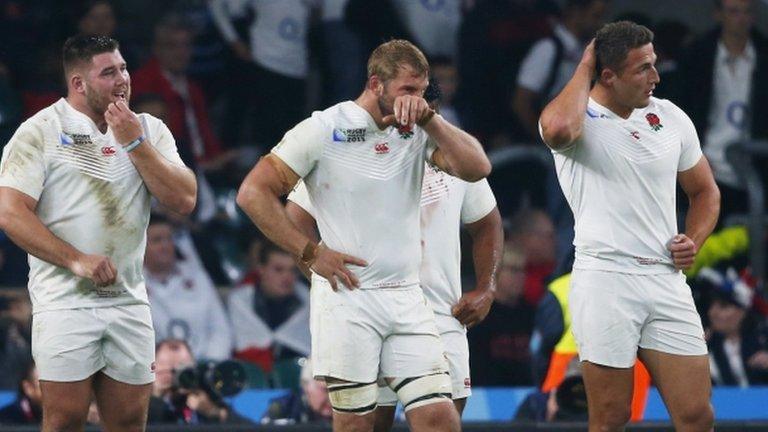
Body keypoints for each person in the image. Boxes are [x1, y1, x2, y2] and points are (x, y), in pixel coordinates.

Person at [236, 39, 491, 432]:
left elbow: (478, 168)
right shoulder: (324, 128)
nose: (415, 100)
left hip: (408, 298)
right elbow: (253, 193)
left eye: (422, 91)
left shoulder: (419, 131)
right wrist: (310, 252)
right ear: (376, 84)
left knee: (440, 418)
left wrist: (430, 119)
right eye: (408, 90)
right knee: (358, 425)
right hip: (349, 303)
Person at [0, 35, 196, 431]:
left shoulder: (148, 129)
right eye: (109, 73)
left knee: (127, 422)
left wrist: (135, 142)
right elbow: (9, 213)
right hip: (64, 300)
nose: (122, 79)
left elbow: (184, 199)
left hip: (128, 299)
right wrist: (76, 259)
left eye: (123, 69)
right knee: (65, 421)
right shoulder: (39, 131)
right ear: (78, 84)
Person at [539, 21, 721, 431]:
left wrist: (693, 239)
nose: (655, 77)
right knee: (610, 416)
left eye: (653, 64)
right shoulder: (576, 116)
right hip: (606, 278)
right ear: (607, 75)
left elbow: (705, 192)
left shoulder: (670, 116)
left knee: (696, 414)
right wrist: (585, 64)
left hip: (665, 278)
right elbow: (556, 130)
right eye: (642, 69)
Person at [286, 159, 502, 429]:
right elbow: (296, 215)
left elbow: (486, 222)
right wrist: (324, 275)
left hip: (441, 313)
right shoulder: (352, 144)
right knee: (370, 424)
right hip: (369, 309)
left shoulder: (454, 151)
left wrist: (487, 287)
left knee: (442, 422)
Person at [678, 0, 768, 219]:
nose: (741, 19)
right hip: (708, 159)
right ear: (718, 15)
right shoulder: (698, 55)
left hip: (753, 162)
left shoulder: (764, 54)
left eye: (746, 12)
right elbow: (683, 107)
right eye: (733, 12)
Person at [144, 213, 233, 361]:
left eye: (169, 239)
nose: (165, 246)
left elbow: (220, 329)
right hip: (155, 371)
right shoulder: (131, 284)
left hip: (203, 367)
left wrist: (208, 363)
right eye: (157, 240)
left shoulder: (198, 276)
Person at [228, 242, 311, 371]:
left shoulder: (309, 301)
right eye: (278, 269)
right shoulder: (240, 301)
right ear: (261, 269)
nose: (287, 277)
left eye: (293, 270)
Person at [147, 339, 252, 425]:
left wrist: (214, 412)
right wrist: (156, 395)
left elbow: (252, 428)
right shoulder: (141, 403)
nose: (175, 372)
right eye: (166, 364)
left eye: (182, 365)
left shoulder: (204, 397)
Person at [262, 358, 333, 424]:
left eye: (341, 392)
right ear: (305, 385)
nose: (332, 398)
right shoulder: (283, 410)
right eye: (325, 390)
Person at [0, 358, 42, 425]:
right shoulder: (6, 420)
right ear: (28, 388)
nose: (53, 393)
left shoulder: (62, 417)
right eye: (44, 386)